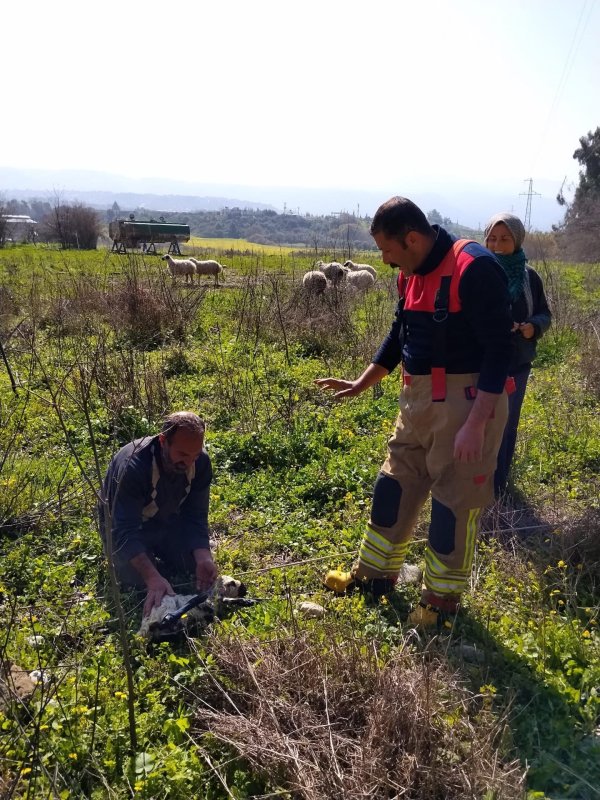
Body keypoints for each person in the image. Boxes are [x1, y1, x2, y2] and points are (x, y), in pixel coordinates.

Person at [316, 197, 513, 627]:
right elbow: (398, 333)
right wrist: (361, 382)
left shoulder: (474, 268)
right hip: (416, 401)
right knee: (393, 485)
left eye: (388, 251)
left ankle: (441, 603)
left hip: (468, 404)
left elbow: (503, 351)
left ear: (412, 238)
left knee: (452, 503)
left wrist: (476, 425)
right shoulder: (410, 274)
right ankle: (374, 576)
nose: (384, 261)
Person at [98, 411, 218, 616]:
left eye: (194, 455)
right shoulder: (134, 467)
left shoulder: (201, 464)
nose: (188, 462)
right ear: (163, 441)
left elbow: (196, 515)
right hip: (122, 526)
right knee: (134, 577)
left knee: (192, 562)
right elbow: (123, 530)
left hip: (164, 521)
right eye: (182, 455)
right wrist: (151, 577)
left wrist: (203, 556)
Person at [483, 213, 551, 499]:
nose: (497, 245)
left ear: (517, 240)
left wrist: (531, 328)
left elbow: (544, 313)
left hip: (516, 365)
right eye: (492, 239)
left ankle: (498, 486)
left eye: (504, 239)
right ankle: (474, 484)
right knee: (478, 424)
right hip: (480, 365)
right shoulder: (477, 272)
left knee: (506, 426)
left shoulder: (529, 277)